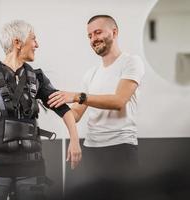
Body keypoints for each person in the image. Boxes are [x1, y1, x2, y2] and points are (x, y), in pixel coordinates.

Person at [0, 20, 82, 200]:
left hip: (32, 166)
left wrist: (74, 141)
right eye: (33, 39)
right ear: (17, 42)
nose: (37, 45)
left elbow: (64, 110)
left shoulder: (36, 77)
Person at [47, 15, 145, 200]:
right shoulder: (91, 74)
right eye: (90, 36)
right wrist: (52, 100)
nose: (93, 39)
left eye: (97, 32)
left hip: (120, 148)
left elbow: (118, 101)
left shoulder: (131, 62)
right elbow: (75, 114)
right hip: (92, 150)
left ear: (114, 32)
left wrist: (76, 96)